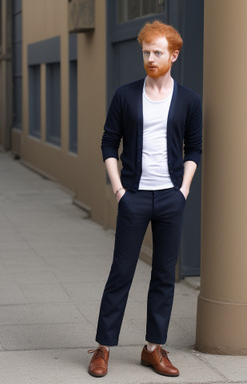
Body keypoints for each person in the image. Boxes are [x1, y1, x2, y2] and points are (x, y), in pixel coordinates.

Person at [88, 20, 202, 378]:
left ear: (174, 54)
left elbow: (194, 148)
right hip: (134, 196)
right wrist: (119, 189)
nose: (150, 58)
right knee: (121, 271)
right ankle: (103, 347)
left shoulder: (188, 100)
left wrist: (183, 190)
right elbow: (109, 142)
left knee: (164, 276)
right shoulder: (125, 95)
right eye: (146, 52)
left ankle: (153, 348)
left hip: (170, 197)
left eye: (157, 52)